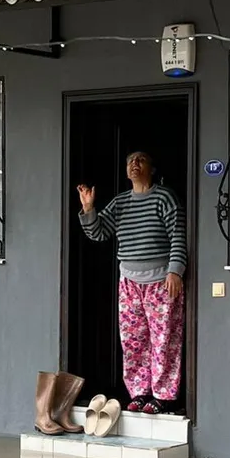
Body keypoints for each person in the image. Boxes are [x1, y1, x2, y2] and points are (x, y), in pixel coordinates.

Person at [77, 151, 186, 414]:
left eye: (141, 160)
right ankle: (139, 392)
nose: (134, 164)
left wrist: (175, 271)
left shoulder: (164, 197)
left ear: (152, 168)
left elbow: (179, 234)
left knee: (163, 340)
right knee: (133, 340)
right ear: (126, 171)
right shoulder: (121, 202)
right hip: (129, 281)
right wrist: (89, 209)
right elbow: (99, 233)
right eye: (130, 162)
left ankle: (163, 396)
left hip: (161, 280)